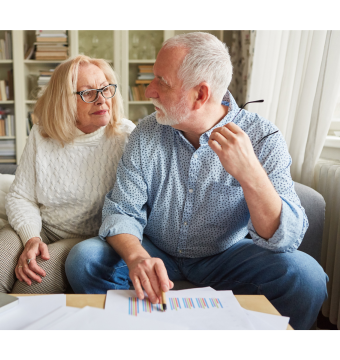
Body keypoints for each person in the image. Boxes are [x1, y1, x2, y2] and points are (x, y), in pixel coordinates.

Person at [65, 32, 328, 331]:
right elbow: (122, 210)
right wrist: (137, 256)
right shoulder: (145, 134)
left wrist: (250, 175)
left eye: (161, 82)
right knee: (84, 259)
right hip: (156, 249)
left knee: (307, 277)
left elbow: (285, 239)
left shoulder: (263, 137)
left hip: (227, 255)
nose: (148, 91)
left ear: (200, 95)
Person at [0, 55, 135, 294]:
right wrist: (31, 238)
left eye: (106, 89)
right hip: (42, 228)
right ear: (64, 101)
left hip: (86, 239)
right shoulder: (42, 134)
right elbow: (21, 197)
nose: (101, 100)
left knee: (30, 285)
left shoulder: (126, 136)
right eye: (87, 93)